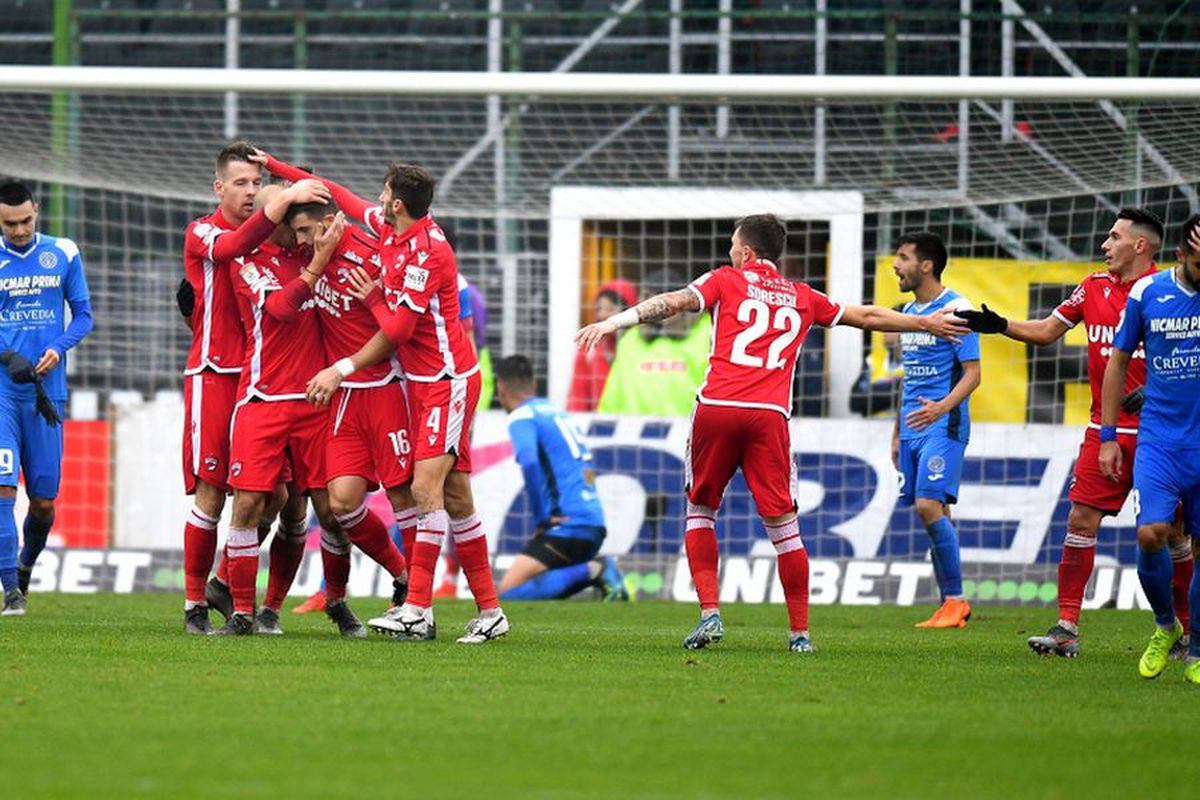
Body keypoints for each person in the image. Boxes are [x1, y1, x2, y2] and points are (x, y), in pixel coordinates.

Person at [576, 213, 969, 652]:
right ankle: (799, 634)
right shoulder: (803, 296)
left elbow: (673, 302)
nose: (729, 251)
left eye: (732, 244)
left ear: (745, 251)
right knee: (784, 527)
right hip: (768, 416)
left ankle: (710, 615)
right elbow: (866, 316)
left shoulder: (725, 279)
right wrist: (926, 322)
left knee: (700, 510)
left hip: (718, 409)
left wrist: (614, 322)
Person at [289, 159, 508, 644]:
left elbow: (398, 330)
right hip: (426, 382)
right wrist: (279, 166)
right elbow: (337, 191)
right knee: (455, 498)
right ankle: (490, 611)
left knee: (425, 492)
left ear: (398, 203)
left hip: (446, 381)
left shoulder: (428, 252)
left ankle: (417, 607)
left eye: (384, 193)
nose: (377, 200)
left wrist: (361, 324)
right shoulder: (390, 229)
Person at [958, 207, 1192, 658]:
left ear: (1140, 246)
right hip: (1102, 431)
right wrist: (1001, 325)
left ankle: (1184, 631)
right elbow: (1047, 331)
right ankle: (1067, 627)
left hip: (1161, 434)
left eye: (1114, 237)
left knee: (1173, 534)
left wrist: (1158, 386)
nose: (1105, 245)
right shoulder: (1092, 287)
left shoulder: (1170, 291)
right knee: (1080, 521)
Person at [178, 142, 329, 633]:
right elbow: (230, 248)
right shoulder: (205, 233)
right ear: (218, 187)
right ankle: (195, 603)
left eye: (255, 184)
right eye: (239, 183)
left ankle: (232, 585)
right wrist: (281, 200)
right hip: (214, 375)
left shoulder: (273, 242)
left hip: (260, 381)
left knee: (281, 496)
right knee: (212, 493)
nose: (249, 192)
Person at [215, 187, 368, 638]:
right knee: (247, 504)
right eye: (277, 211)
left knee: (328, 509)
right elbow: (281, 309)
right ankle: (243, 612)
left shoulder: (320, 247)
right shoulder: (247, 259)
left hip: (316, 402)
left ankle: (330, 603)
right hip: (262, 400)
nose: (282, 219)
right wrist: (317, 264)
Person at [284, 196, 412, 615]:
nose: (300, 240)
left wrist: (340, 367)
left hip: (388, 389)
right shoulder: (309, 263)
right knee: (341, 503)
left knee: (403, 497)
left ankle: (418, 601)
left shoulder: (371, 257)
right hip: (345, 398)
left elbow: (397, 331)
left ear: (329, 221)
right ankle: (404, 573)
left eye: (306, 230)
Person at [1099, 213, 1200, 684]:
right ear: (1181, 255)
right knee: (1149, 533)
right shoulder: (1148, 293)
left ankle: (1198, 647)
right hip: (1159, 438)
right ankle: (1166, 625)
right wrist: (1108, 434)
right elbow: (1118, 360)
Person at [0, 180, 92, 615]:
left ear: (37, 211)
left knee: (42, 502)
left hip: (46, 394)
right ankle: (10, 593)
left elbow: (84, 315)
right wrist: (7, 355)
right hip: (2, 392)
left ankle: (23, 568)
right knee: (2, 489)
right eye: (9, 223)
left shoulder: (64, 252)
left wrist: (59, 346)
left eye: (25, 220)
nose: (19, 230)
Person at [890, 232, 981, 629]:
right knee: (937, 510)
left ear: (926, 265)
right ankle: (951, 604)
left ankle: (956, 600)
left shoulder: (958, 309)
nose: (895, 264)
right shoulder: (910, 312)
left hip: (944, 423)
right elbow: (907, 378)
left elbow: (974, 375)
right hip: (912, 427)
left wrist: (942, 408)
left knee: (927, 506)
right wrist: (896, 433)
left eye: (903, 257)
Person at [492, 354, 630, 601]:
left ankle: (596, 569)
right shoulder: (557, 414)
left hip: (567, 526)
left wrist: (541, 518)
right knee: (533, 585)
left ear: (500, 388)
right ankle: (595, 574)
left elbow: (530, 461)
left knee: (509, 595)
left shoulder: (522, 416)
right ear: (533, 384)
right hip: (593, 522)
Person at [596, 269, 711, 417]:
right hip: (635, 434)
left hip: (689, 433)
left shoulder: (706, 333)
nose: (654, 311)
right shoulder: (631, 339)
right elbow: (613, 394)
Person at [568, 280, 638, 412]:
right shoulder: (589, 347)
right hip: (598, 425)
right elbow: (578, 395)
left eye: (610, 309)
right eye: (599, 309)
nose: (602, 315)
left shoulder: (640, 345)